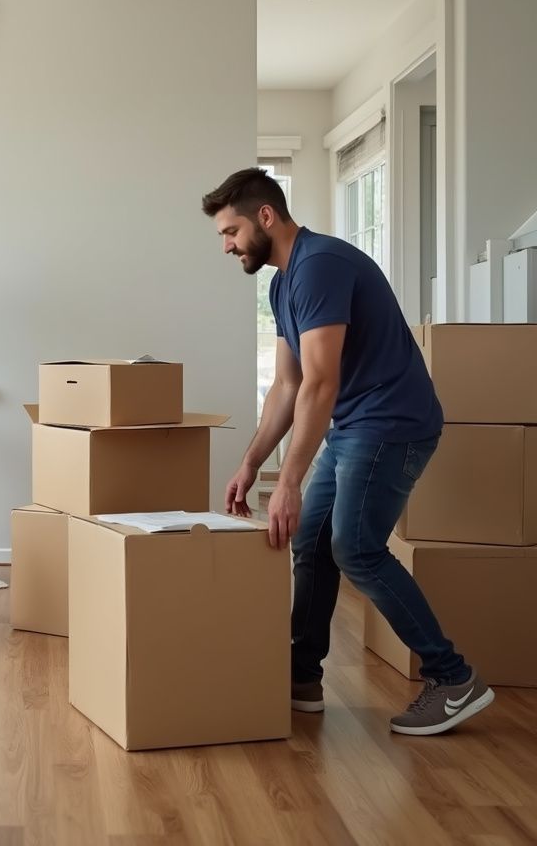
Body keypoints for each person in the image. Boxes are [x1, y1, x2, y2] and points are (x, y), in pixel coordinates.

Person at [202, 167, 494, 736]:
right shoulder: (284, 282)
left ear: (266, 217)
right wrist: (250, 463)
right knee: (310, 541)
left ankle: (452, 677)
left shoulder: (320, 266)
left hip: (393, 422)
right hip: (356, 424)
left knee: (355, 547)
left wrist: (287, 481)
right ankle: (300, 675)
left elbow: (319, 383)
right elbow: (286, 386)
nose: (227, 245)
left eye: (231, 231)